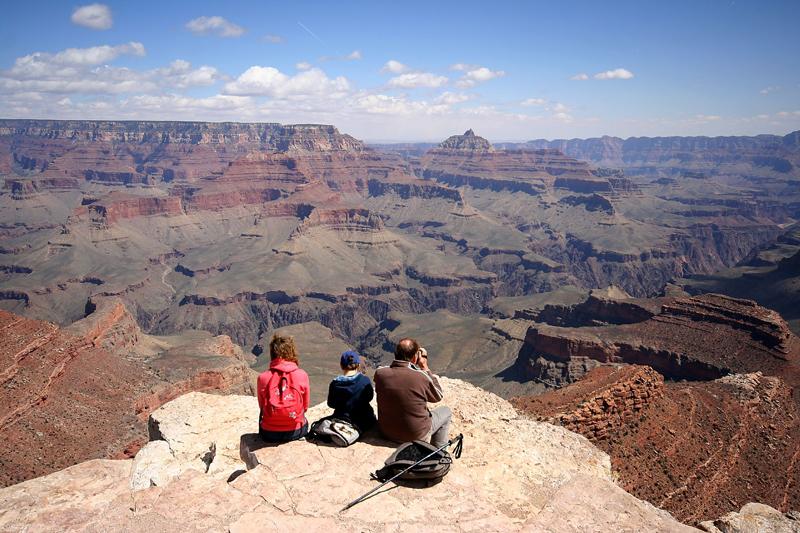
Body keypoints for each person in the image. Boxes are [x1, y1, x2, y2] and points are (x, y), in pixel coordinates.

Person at [374, 338, 452, 447]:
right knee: (446, 411)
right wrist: (424, 367)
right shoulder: (421, 377)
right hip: (415, 435)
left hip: (386, 432)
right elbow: (438, 396)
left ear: (395, 353)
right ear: (415, 357)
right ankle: (438, 454)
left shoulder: (380, 373)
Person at [257, 334, 310, 442]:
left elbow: (262, 406)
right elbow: (305, 407)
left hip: (269, 433)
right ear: (292, 352)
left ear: (272, 353)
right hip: (296, 431)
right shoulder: (302, 375)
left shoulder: (262, 378)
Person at [326, 350, 377, 432]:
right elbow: (369, 397)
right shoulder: (364, 381)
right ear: (358, 365)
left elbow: (331, 403)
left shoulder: (335, 383)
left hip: (341, 418)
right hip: (364, 420)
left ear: (341, 365)